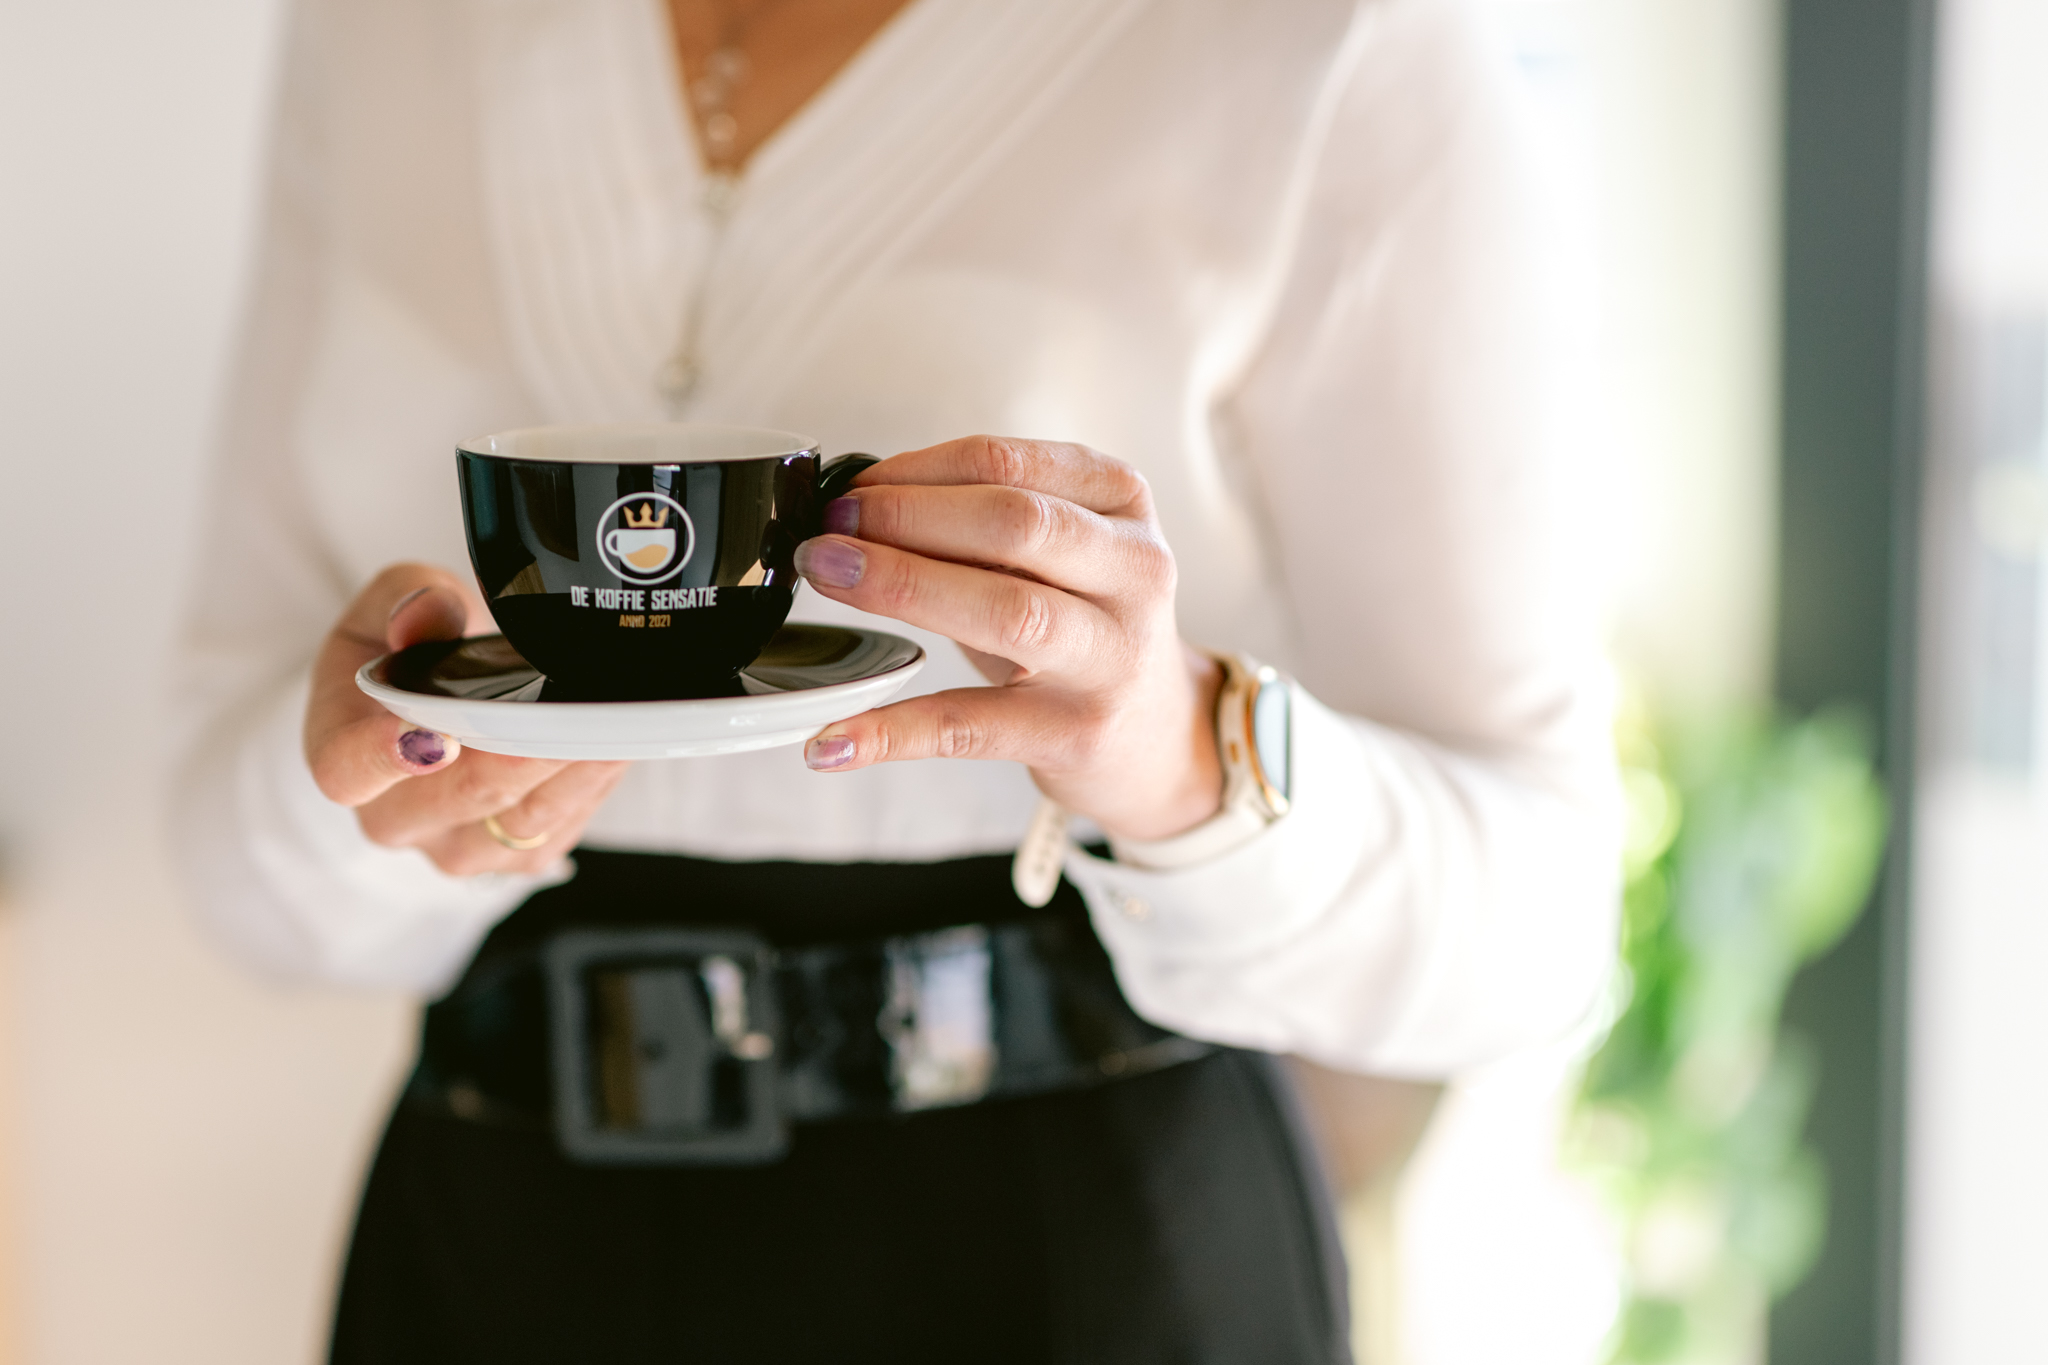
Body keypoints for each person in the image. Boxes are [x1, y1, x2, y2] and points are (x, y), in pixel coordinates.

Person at [170, 0, 1620, 1359]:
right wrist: (377, 784)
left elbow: (1544, 910)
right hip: (499, 1239)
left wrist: (1189, 758)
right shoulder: (379, 31)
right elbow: (223, 845)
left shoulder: (1331, 40)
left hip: (1076, 1248)